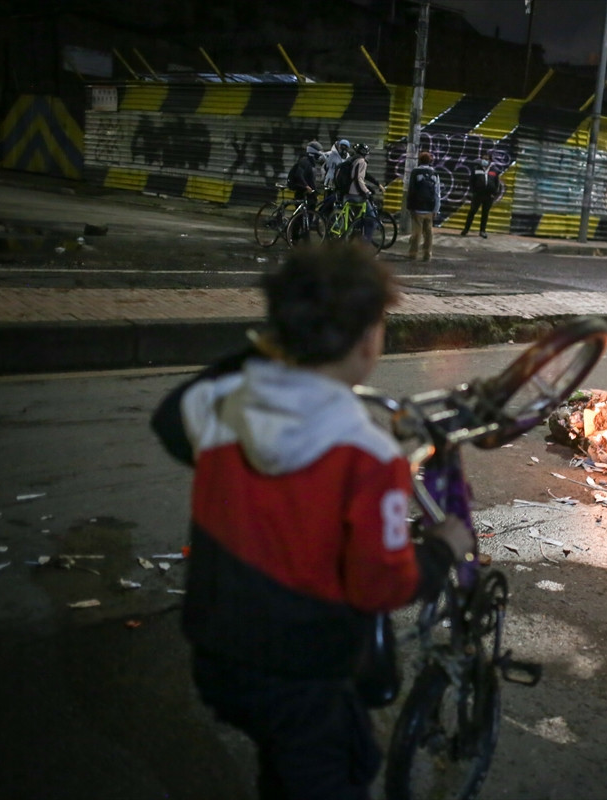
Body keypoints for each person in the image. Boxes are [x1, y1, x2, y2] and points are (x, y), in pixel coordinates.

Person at [149, 243, 472, 800]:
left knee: (335, 756)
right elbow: (382, 583)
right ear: (370, 339)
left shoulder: (225, 402)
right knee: (330, 774)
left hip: (217, 649)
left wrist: (267, 350)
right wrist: (443, 546)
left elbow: (170, 419)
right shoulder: (370, 454)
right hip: (300, 668)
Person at [343, 142, 382, 244]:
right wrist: (366, 191)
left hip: (347, 194)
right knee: (372, 220)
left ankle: (352, 239)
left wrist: (376, 183)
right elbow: (358, 179)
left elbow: (362, 176)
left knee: (358, 218)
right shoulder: (361, 162)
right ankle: (364, 246)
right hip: (356, 195)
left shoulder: (351, 160)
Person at [406, 151, 440, 262]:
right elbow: (437, 192)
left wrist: (409, 206)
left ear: (419, 160)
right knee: (428, 233)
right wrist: (436, 208)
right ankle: (427, 254)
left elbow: (411, 190)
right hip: (429, 208)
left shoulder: (415, 172)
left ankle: (413, 253)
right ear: (430, 161)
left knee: (416, 232)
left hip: (417, 207)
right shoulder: (434, 173)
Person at [460, 152, 501, 238]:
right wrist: (474, 192)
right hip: (478, 194)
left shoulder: (494, 170)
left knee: (485, 213)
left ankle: (482, 231)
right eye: (483, 158)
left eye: (486, 159)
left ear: (490, 160)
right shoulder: (476, 169)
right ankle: (466, 229)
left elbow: (497, 183)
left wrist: (494, 194)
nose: (484, 160)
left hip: (488, 196)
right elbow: (471, 181)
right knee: (472, 212)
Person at [317, 138, 352, 217]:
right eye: (342, 146)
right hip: (330, 183)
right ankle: (322, 216)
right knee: (327, 201)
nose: (343, 149)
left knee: (336, 202)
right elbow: (321, 158)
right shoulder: (332, 154)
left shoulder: (348, 158)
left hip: (339, 185)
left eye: (345, 147)